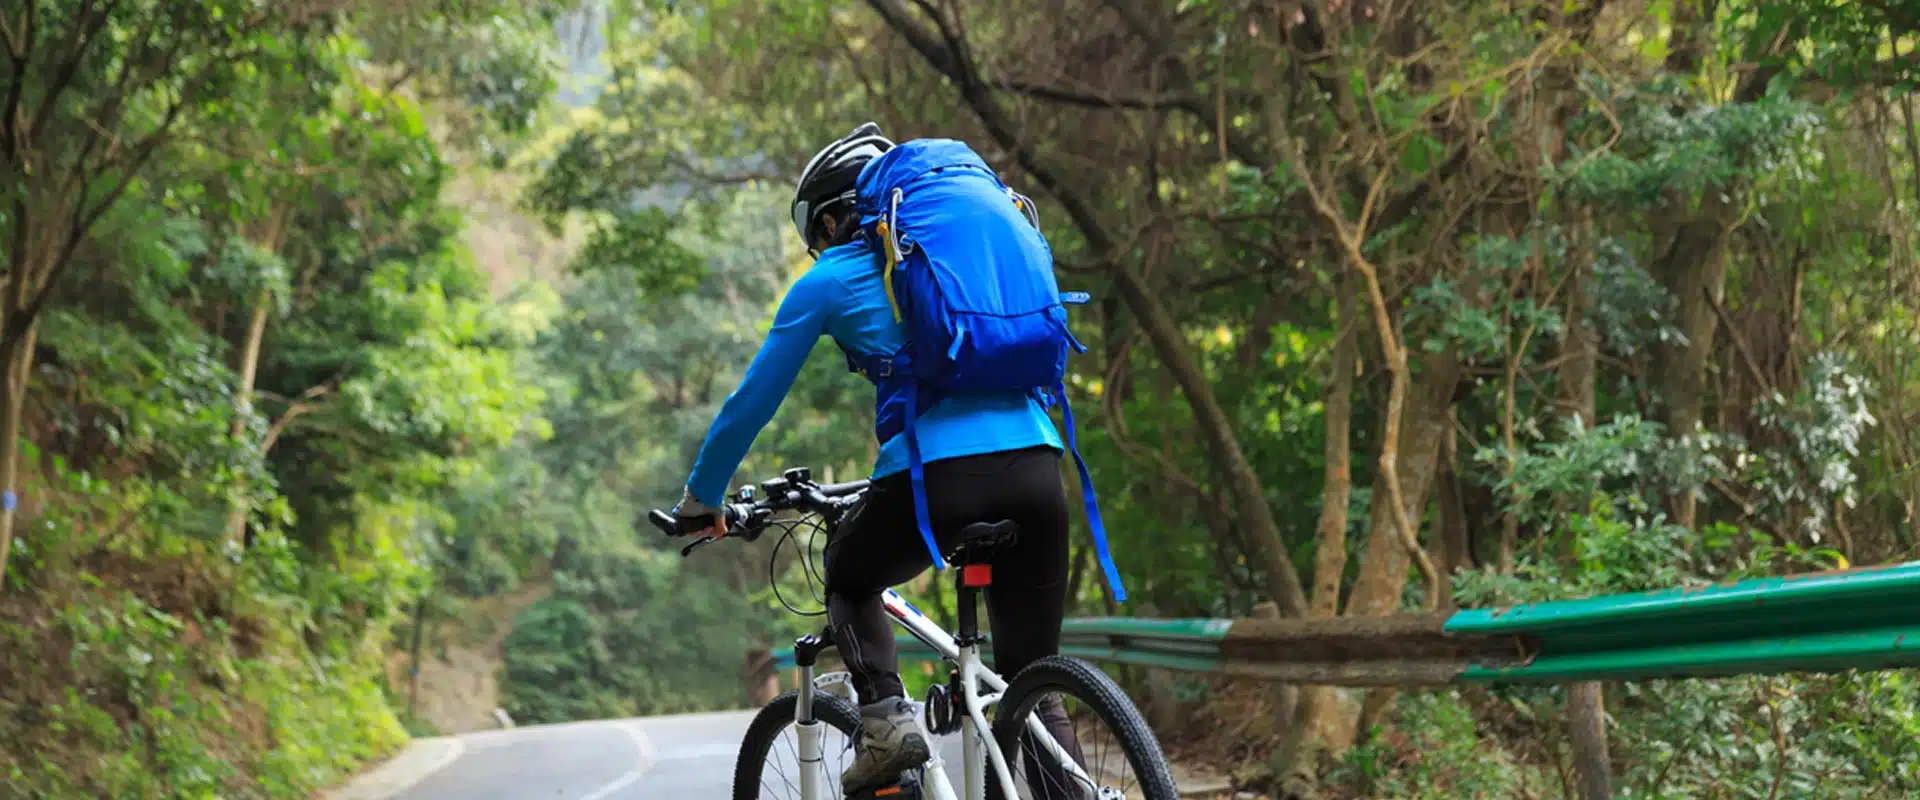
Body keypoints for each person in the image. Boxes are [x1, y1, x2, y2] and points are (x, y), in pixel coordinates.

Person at [670, 123, 1081, 795]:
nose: (820, 245)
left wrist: (701, 502)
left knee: (849, 575)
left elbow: (750, 404)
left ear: (832, 217)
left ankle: (888, 723)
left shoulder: (829, 280)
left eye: (817, 231)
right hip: (1038, 464)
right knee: (1032, 684)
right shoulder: (971, 246)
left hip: (940, 482)